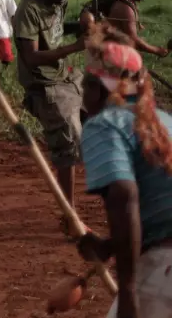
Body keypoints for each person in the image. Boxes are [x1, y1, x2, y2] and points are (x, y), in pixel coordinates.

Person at [76, 27, 172, 318]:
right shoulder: (165, 121)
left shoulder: (106, 124)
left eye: (85, 85)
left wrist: (128, 291)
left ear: (98, 88)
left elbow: (124, 195)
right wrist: (110, 247)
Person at [13, 0, 86, 236]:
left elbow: (56, 30)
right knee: (68, 146)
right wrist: (75, 47)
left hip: (67, 77)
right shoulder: (27, 11)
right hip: (45, 84)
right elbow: (31, 58)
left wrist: (80, 26)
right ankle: (69, 217)